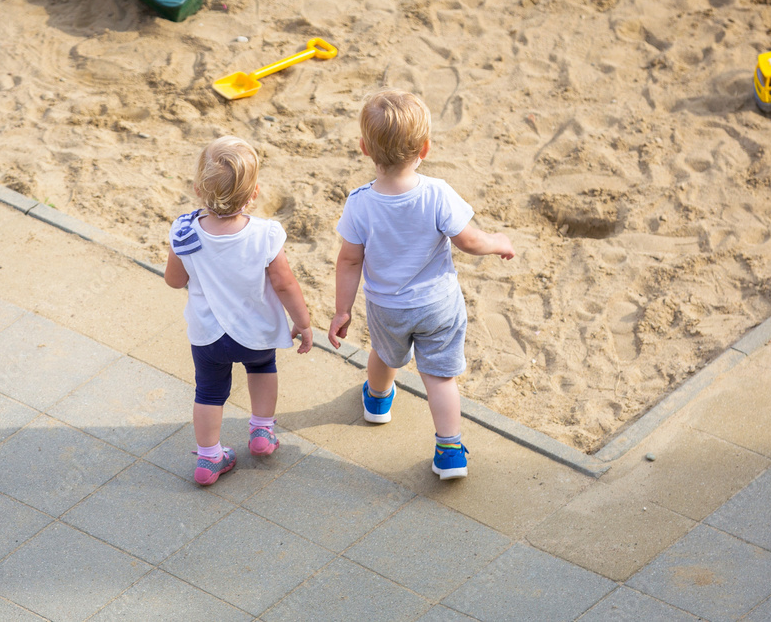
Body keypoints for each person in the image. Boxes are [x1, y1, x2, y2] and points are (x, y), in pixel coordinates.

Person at [328, 89, 515, 479]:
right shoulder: (437, 194)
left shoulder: (360, 203)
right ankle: (449, 451)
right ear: (425, 148)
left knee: (383, 352)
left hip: (388, 306)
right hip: (438, 304)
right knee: (440, 377)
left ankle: (377, 402)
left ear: (364, 148)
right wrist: (498, 242)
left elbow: (349, 260)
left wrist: (342, 309)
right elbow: (469, 241)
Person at [165, 136, 313, 486]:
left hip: (208, 335)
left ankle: (208, 458)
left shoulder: (184, 231)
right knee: (262, 368)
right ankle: (262, 432)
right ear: (254, 193)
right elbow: (284, 283)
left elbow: (174, 280)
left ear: (199, 190)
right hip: (256, 332)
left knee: (209, 392)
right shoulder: (265, 234)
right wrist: (303, 322)